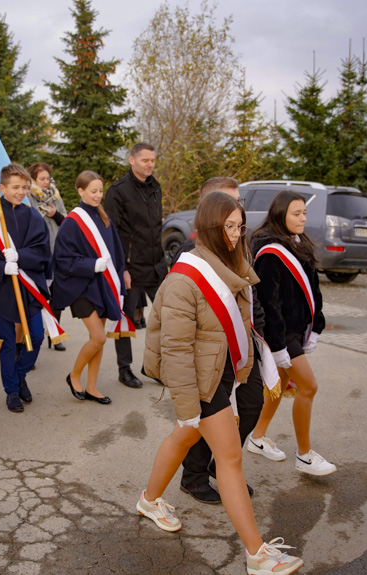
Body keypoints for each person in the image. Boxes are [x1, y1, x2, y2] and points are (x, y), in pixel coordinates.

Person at [138, 192, 303, 575]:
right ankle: (257, 554)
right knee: (229, 458)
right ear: (209, 227)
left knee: (183, 436)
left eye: (239, 225)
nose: (236, 233)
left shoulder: (232, 262)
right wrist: (188, 406)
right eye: (228, 226)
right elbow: (175, 349)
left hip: (220, 373)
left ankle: (149, 499)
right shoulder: (186, 277)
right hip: (199, 382)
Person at [171, 178, 267, 504]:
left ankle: (220, 465)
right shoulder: (191, 250)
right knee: (202, 420)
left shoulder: (238, 242)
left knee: (253, 403)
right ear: (207, 209)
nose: (235, 212)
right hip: (209, 355)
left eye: (238, 203)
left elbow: (250, 296)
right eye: (227, 203)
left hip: (240, 346)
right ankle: (194, 476)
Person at [246, 190, 335, 476]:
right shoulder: (270, 251)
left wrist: (316, 326)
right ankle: (305, 456)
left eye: (304, 213)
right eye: (296, 214)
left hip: (297, 331)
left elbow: (314, 288)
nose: (303, 219)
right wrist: (277, 345)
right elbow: (268, 303)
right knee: (308, 386)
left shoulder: (298, 243)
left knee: (279, 386)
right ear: (280, 214)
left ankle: (257, 438)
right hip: (280, 335)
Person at [0, 163, 51, 413]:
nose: (21, 192)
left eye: (25, 187)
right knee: (8, 342)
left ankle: (19, 374)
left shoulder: (33, 215)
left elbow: (42, 251)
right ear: (2, 187)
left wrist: (20, 256)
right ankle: (11, 391)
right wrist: (0, 268)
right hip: (2, 289)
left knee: (37, 337)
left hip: (28, 287)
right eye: (15, 187)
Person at [52, 170, 131, 405]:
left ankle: (92, 387)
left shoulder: (104, 217)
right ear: (81, 191)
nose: (98, 196)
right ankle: (74, 375)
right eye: (93, 191)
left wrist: (122, 272)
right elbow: (62, 260)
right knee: (98, 338)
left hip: (104, 286)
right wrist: (91, 264)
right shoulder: (71, 222)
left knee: (98, 338)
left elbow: (116, 252)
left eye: (100, 191)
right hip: (81, 288)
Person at [104, 142, 167, 389]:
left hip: (156, 266)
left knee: (165, 319)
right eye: (145, 161)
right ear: (132, 160)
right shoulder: (118, 191)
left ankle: (153, 366)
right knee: (126, 321)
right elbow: (113, 234)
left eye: (152, 160)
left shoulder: (155, 187)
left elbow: (155, 228)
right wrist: (122, 269)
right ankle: (124, 369)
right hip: (131, 267)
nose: (150, 164)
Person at [28, 162, 68, 352]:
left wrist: (55, 214)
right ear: (34, 179)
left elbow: (66, 220)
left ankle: (55, 335)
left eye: (47, 178)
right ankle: (30, 339)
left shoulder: (55, 195)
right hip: (39, 252)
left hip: (57, 250)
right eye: (41, 179)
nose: (45, 182)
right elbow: (28, 219)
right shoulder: (28, 196)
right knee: (38, 293)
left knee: (57, 295)